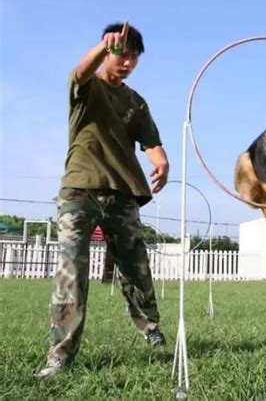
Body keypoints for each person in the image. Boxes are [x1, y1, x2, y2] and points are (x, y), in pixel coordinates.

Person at [37, 22, 169, 378]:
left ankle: (151, 328)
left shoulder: (137, 102)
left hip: (123, 192)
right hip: (79, 190)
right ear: (108, 50)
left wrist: (161, 161)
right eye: (121, 53)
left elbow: (151, 142)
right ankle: (60, 355)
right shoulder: (86, 87)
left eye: (134, 57)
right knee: (71, 269)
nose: (127, 62)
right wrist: (101, 47)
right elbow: (81, 70)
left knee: (135, 267)